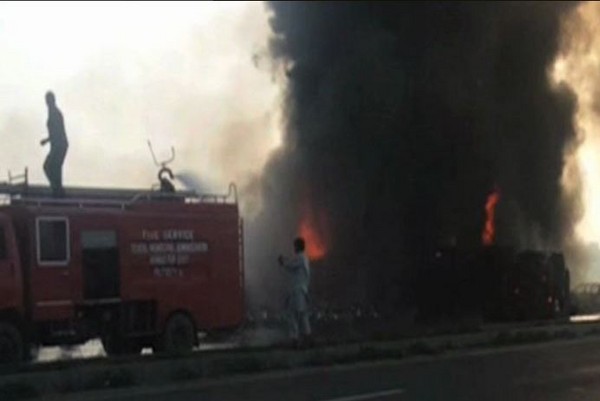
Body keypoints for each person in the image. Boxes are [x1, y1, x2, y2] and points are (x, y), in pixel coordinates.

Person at [278, 237, 312, 347]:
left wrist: (282, 261)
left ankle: (294, 340)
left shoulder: (300, 258)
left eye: (294, 246)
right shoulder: (304, 258)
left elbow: (291, 265)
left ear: (297, 246)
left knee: (292, 315)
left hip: (297, 291)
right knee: (302, 315)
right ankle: (307, 338)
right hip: (302, 291)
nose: (293, 248)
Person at [40, 91, 68, 197]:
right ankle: (57, 190)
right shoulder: (52, 113)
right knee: (53, 168)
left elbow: (58, 132)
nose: (47, 103)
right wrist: (47, 141)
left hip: (59, 145)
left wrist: (47, 141)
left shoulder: (55, 113)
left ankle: (57, 190)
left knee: (50, 167)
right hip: (57, 145)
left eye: (48, 101)